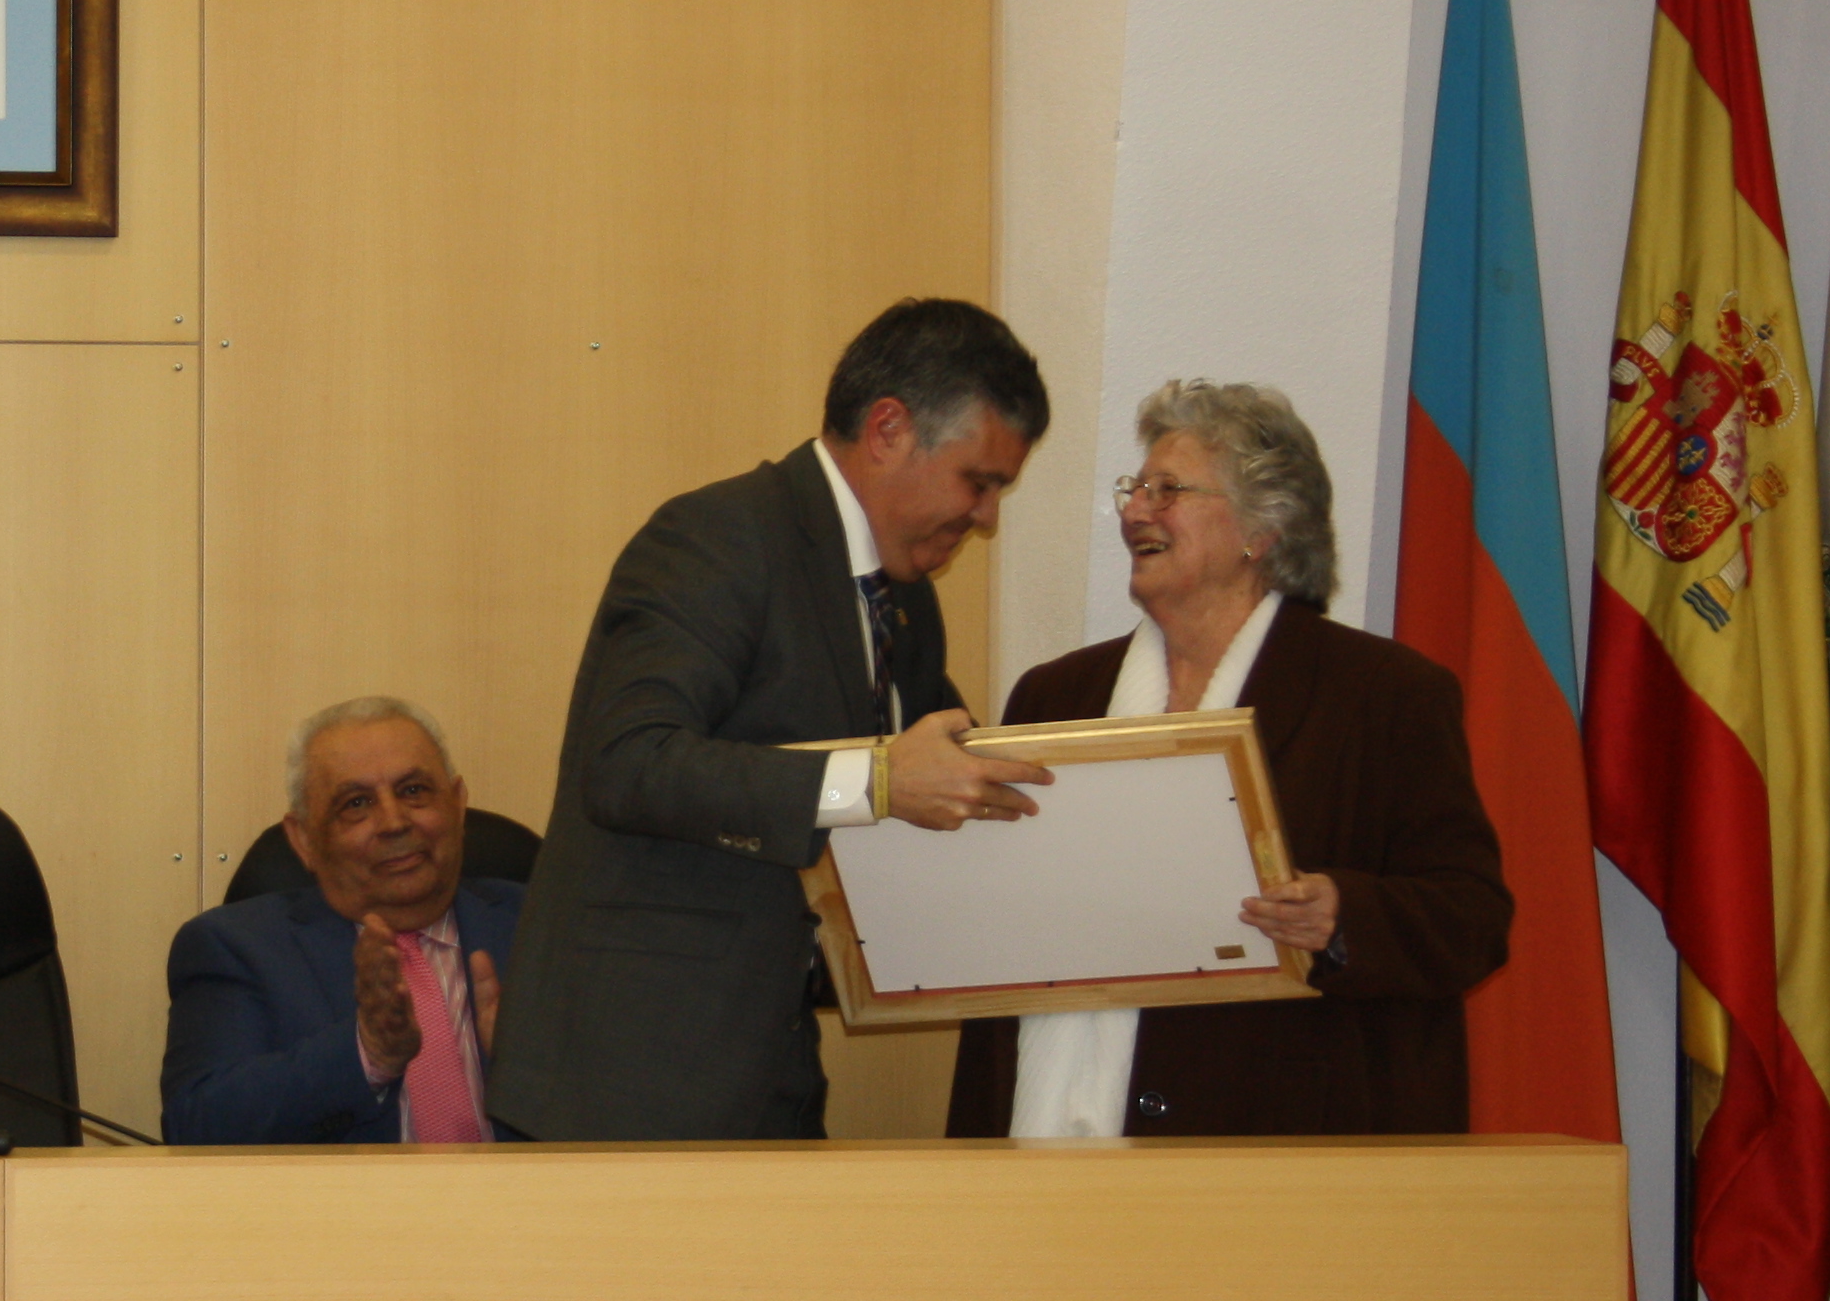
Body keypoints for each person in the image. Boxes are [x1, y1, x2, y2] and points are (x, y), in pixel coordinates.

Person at [484, 298, 1055, 1141]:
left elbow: (933, 786)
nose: (988, 517)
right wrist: (881, 781)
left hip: (769, 1073)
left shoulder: (906, 606)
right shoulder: (718, 537)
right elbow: (629, 763)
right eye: (980, 481)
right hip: (627, 1082)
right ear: (889, 429)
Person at [944, 381, 1512, 1137]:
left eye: (1167, 490)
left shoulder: (1385, 696)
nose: (1135, 511)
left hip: (1280, 1146)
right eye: (1134, 488)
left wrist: (1342, 915)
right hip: (1043, 1133)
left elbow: (1472, 920)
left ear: (1263, 529)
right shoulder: (1055, 695)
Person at [163, 699, 525, 1145]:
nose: (394, 822)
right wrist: (368, 1053)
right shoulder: (235, 947)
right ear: (304, 839)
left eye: (413, 790)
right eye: (356, 803)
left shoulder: (543, 929)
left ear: (458, 804)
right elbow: (196, 1126)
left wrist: (542, 1074)